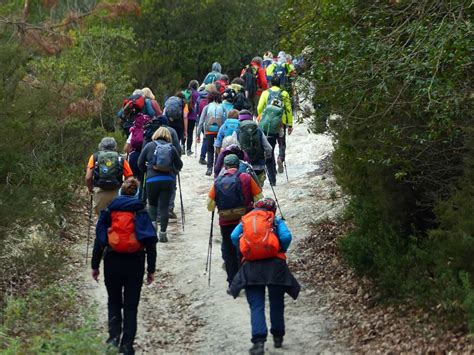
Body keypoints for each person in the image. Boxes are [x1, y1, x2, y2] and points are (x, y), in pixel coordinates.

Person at [91, 177, 158, 355]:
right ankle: (127, 345)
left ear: (121, 192)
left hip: (112, 261)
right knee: (131, 305)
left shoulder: (108, 211)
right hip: (135, 262)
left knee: (113, 301)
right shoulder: (141, 212)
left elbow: (99, 240)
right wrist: (151, 269)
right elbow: (151, 243)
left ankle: (113, 341)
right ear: (136, 193)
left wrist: (95, 265)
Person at [230, 197, 300, 355]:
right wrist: (280, 248)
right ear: (272, 209)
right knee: (276, 302)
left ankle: (259, 342)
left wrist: (246, 249)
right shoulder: (274, 220)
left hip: (251, 266)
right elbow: (286, 237)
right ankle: (278, 336)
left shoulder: (246, 220)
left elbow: (234, 237)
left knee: (257, 305)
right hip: (275, 265)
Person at [207, 154, 263, 290]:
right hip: (244, 220)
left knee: (229, 251)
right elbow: (259, 198)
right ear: (238, 165)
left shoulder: (218, 180)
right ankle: (246, 279)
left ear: (225, 166)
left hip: (225, 221)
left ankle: (232, 282)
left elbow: (209, 206)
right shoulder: (246, 177)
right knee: (244, 249)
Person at [138, 127, 183, 242]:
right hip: (168, 180)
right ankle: (163, 233)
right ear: (168, 136)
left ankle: (153, 231)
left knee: (152, 205)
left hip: (152, 180)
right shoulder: (171, 148)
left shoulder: (149, 146)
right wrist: (173, 168)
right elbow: (179, 165)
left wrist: (146, 170)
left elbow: (140, 162)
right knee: (164, 207)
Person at [257, 76, 293, 186]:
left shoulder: (265, 93)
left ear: (270, 83)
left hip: (268, 125)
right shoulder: (284, 93)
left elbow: (259, 107)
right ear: (280, 83)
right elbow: (288, 110)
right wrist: (290, 124)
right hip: (281, 124)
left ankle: (272, 179)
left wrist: (262, 117)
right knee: (282, 143)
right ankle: (281, 158)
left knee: (269, 149)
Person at [85, 137, 134, 214]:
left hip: (99, 191)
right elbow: (130, 178)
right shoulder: (120, 158)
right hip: (116, 192)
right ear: (115, 146)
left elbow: (88, 177)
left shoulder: (94, 157)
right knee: (114, 217)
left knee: (101, 218)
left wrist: (91, 189)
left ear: (101, 145)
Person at [236, 110, 272, 186]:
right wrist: (267, 157)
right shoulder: (258, 130)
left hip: (243, 166)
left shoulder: (237, 131)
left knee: (245, 188)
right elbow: (268, 148)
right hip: (259, 165)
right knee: (258, 188)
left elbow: (234, 147)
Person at [197, 90, 224, 176]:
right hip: (219, 131)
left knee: (210, 150)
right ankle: (217, 168)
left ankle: (209, 168)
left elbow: (201, 121)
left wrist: (198, 134)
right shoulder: (222, 107)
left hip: (209, 131)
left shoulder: (207, 107)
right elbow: (225, 119)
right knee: (217, 149)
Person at [183, 80, 200, 156]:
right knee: (190, 133)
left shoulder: (185, 92)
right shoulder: (197, 94)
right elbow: (198, 104)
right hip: (192, 116)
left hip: (184, 115)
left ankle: (182, 147)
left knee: (183, 131)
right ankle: (188, 149)